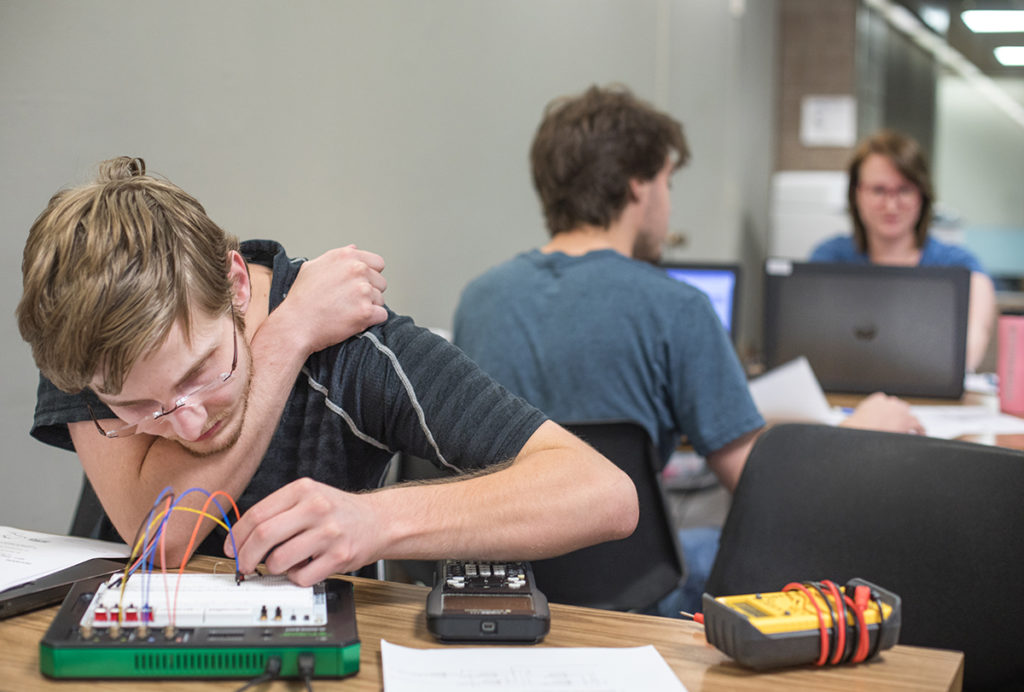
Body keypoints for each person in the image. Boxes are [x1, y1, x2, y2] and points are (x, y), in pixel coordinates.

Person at [16, 156, 639, 587]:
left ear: (235, 283)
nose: (186, 421)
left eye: (202, 373)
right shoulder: (87, 330)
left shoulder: (353, 347)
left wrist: (377, 520)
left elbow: (602, 493)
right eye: (138, 410)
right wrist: (285, 338)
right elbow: (158, 536)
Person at [453, 85, 922, 616]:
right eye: (667, 183)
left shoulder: (479, 298)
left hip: (497, 587)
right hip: (628, 594)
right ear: (638, 186)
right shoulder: (677, 307)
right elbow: (758, 484)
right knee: (736, 541)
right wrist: (860, 430)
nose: (668, 203)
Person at [810, 129, 996, 373]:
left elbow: (969, 351)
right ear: (857, 195)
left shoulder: (958, 265)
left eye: (904, 190)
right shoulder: (828, 259)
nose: (891, 205)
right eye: (878, 190)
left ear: (922, 195)